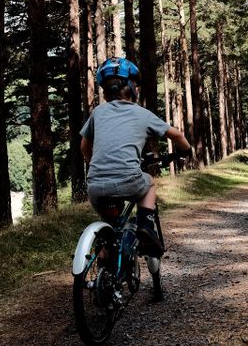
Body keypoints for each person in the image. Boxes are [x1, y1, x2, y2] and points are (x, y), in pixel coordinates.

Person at [80, 57, 192, 257]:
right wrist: (186, 151)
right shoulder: (142, 113)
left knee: (111, 228)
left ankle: (106, 263)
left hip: (95, 186)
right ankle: (145, 225)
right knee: (148, 182)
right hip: (128, 180)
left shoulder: (98, 113)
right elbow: (177, 135)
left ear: (106, 92)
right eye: (136, 85)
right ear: (131, 87)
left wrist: (95, 165)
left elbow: (84, 147)